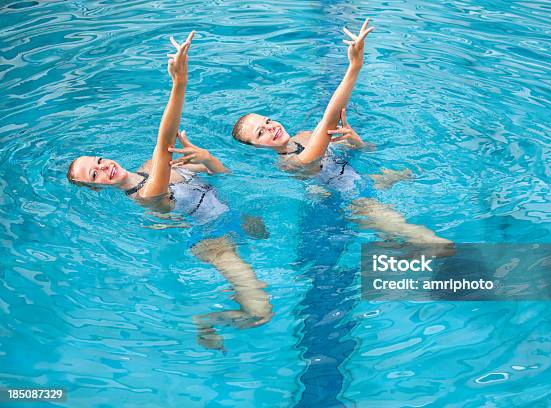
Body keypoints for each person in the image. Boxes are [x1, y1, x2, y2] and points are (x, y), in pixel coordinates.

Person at [66, 32, 271, 351]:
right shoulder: (147, 193)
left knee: (265, 236)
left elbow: (224, 176)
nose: (104, 167)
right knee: (260, 313)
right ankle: (206, 320)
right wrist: (179, 84)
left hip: (232, 216)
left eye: (100, 161)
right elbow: (164, 142)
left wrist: (208, 159)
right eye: (96, 174)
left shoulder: (150, 165)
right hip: (214, 243)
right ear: (96, 187)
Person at [229, 19, 453, 248]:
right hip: (357, 201)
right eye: (260, 132)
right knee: (433, 243)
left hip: (367, 181)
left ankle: (391, 242)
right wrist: (355, 66)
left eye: (267, 120)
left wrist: (356, 142)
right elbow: (330, 117)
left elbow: (364, 152)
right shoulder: (291, 163)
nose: (271, 127)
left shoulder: (303, 136)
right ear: (257, 147)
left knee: (412, 172)